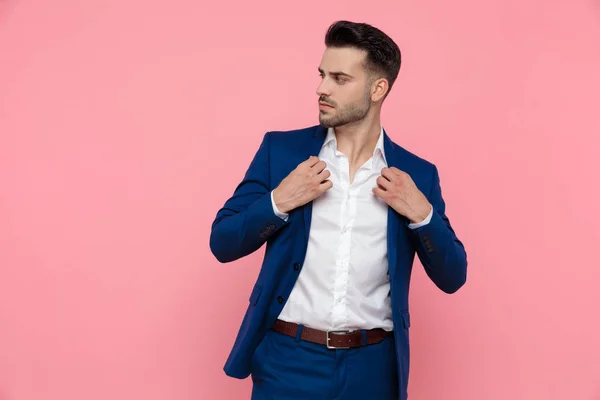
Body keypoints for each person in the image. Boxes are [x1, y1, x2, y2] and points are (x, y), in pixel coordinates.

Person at [209, 20, 468, 400]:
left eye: (339, 79)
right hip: (288, 361)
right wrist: (280, 200)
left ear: (378, 88)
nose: (321, 88)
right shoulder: (281, 153)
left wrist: (422, 214)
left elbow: (453, 276)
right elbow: (222, 242)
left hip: (374, 370)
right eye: (322, 75)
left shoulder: (417, 175)